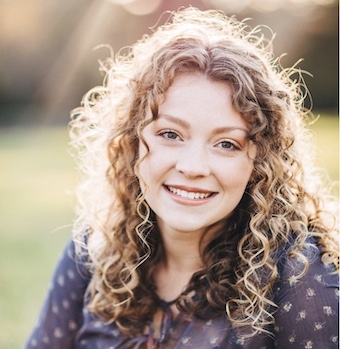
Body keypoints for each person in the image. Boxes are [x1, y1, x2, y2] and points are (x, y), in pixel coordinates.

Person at [24, 7, 339, 349]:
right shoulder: (93, 248)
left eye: (226, 143)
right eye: (171, 135)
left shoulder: (304, 282)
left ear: (260, 162)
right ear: (131, 141)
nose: (193, 167)